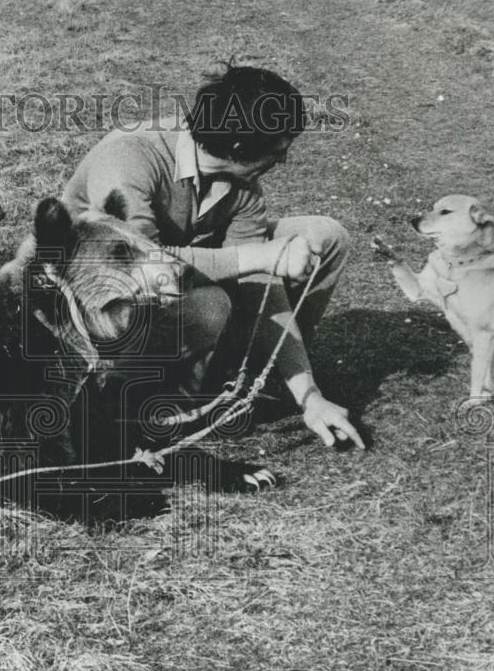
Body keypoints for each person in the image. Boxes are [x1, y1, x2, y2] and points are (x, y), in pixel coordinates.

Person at [62, 65, 364, 449]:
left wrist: (309, 395)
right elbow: (142, 268)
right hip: (96, 301)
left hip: (172, 287)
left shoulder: (243, 183)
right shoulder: (130, 158)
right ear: (239, 148)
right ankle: (145, 407)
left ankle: (257, 373)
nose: (284, 161)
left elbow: (261, 283)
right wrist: (255, 256)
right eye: (280, 150)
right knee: (208, 305)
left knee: (325, 236)